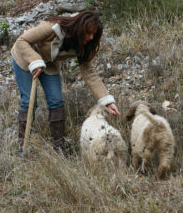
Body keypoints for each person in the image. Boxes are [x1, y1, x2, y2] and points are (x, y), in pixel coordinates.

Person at [11, 10, 120, 153]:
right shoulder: (52, 27)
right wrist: (35, 61)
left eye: (94, 34)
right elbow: (22, 41)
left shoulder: (84, 44)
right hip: (26, 57)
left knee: (56, 100)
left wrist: (107, 100)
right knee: (29, 101)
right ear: (80, 28)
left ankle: (59, 149)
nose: (91, 37)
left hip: (49, 63)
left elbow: (89, 73)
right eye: (88, 33)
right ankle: (22, 147)